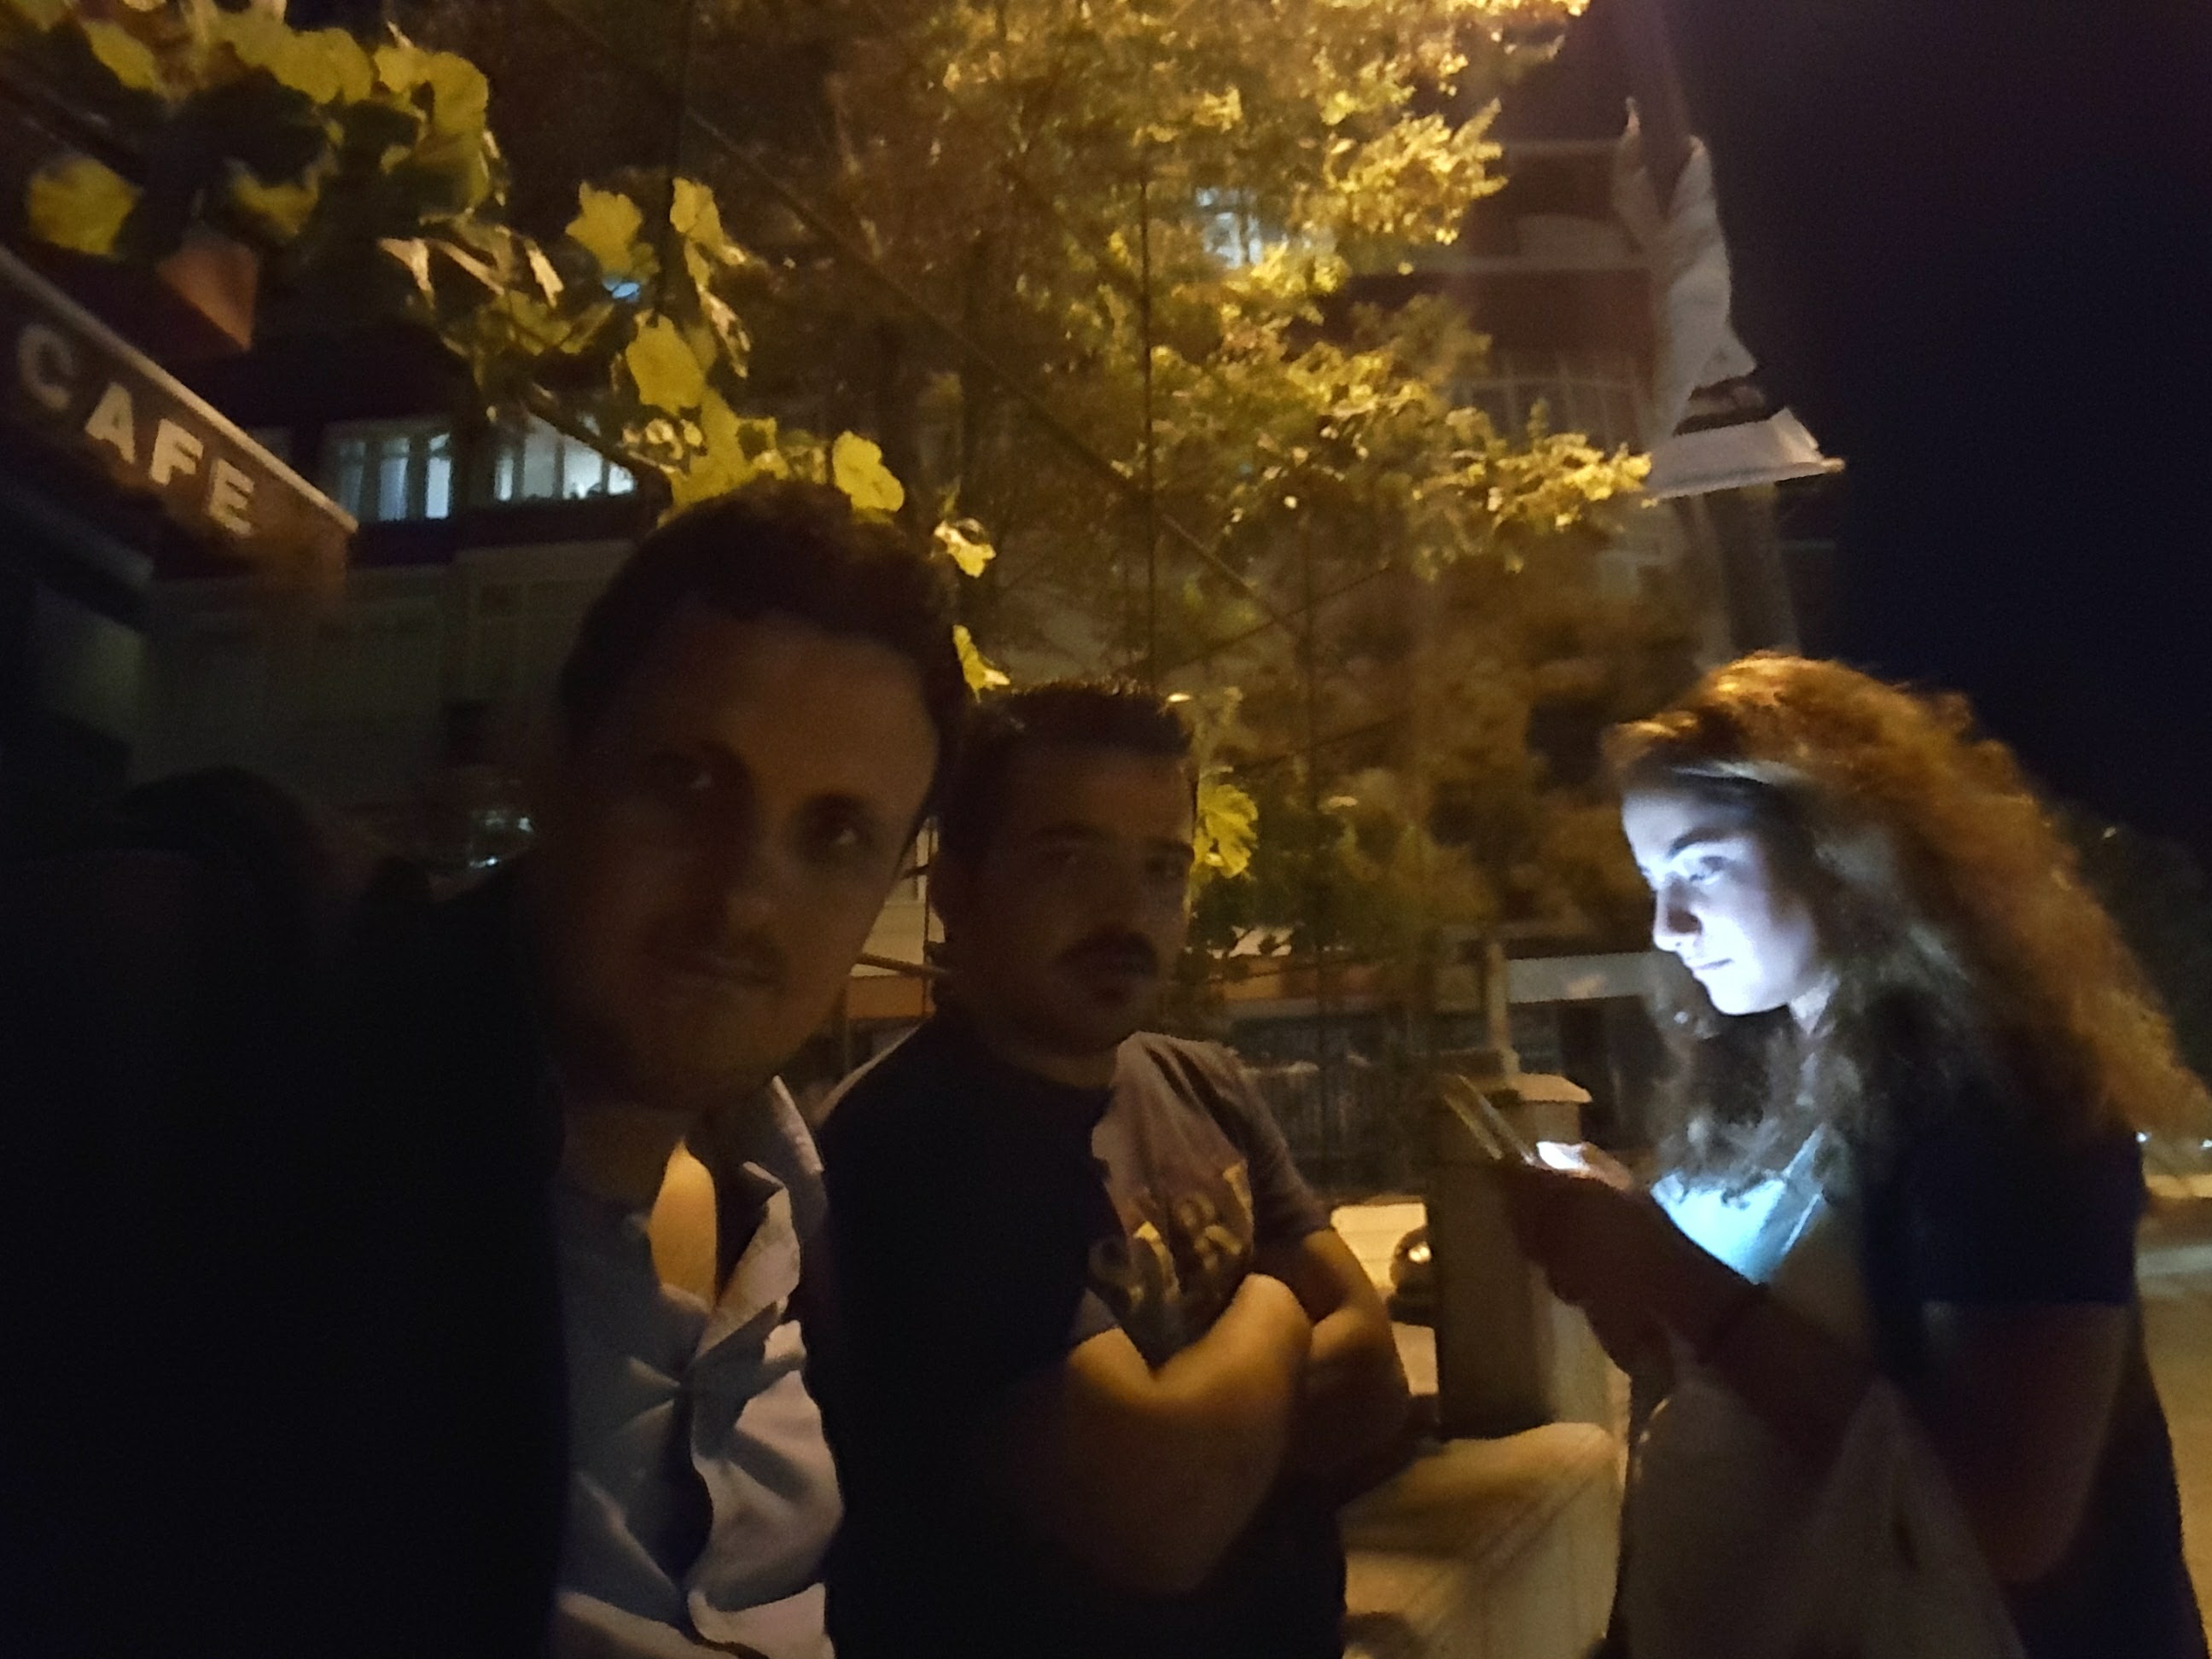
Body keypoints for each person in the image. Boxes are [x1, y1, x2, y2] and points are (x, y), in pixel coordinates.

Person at [0, 481, 969, 1658]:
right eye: (688, 781)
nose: (745, 899)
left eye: (835, 835)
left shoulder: (804, 1231)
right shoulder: (247, 1035)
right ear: (551, 759)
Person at [1502, 654, 2208, 1659]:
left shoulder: (1998, 1102)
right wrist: (1632, 1278)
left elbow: (2006, 1522)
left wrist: (1671, 1277)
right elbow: (1752, 1385)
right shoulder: (1757, 1081)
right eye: (1654, 882)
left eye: (1702, 865)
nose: (1668, 926)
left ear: (1839, 846)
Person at [817, 681, 1410, 1659]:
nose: (1126, 911)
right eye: (1068, 858)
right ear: (955, 891)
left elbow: (1375, 1386)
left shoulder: (1203, 1084)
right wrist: (1271, 1303)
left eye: (1162, 869)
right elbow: (1161, 1513)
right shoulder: (912, 1144)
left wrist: (1211, 1428)